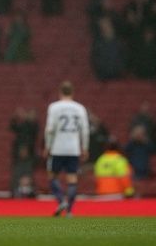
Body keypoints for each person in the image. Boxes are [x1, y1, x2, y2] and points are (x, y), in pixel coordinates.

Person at [43, 81, 89, 217]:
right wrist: (84, 147)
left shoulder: (54, 107)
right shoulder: (80, 108)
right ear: (73, 92)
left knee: (52, 176)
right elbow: (85, 130)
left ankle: (62, 200)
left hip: (58, 148)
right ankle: (69, 211)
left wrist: (48, 146)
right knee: (72, 178)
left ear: (60, 92)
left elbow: (50, 129)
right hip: (73, 149)